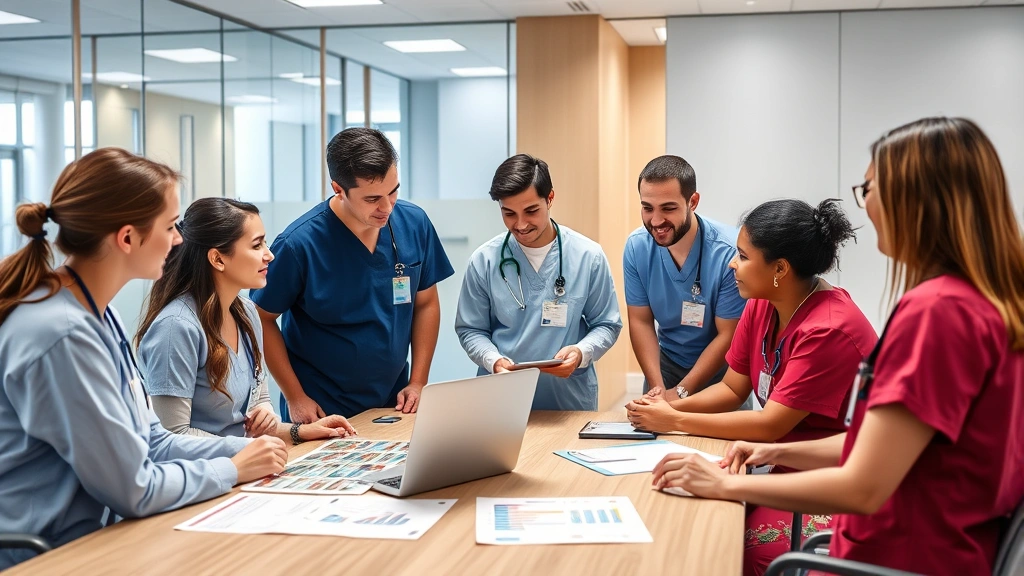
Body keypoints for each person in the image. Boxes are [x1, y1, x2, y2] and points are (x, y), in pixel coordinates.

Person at [652, 117, 1024, 576]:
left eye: (868, 189)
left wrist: (725, 486)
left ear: (915, 199)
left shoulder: (938, 312)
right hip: (932, 545)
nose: (864, 204)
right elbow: (880, 447)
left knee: (709, 549)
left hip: (901, 555)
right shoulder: (979, 303)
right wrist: (777, 452)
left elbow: (864, 488)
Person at [0, 149, 286, 569]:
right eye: (170, 227)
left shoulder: (97, 313)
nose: (178, 241)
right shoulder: (62, 333)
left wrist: (254, 450)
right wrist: (231, 469)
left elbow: (154, 440)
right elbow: (134, 489)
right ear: (128, 237)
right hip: (51, 555)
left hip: (99, 536)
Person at [627, 198, 877, 576]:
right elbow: (731, 389)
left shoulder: (829, 329)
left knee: (729, 546)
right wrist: (667, 406)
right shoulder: (763, 303)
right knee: (700, 523)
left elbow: (771, 425)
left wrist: (671, 421)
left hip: (832, 479)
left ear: (779, 269)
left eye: (742, 257)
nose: (732, 264)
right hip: (786, 467)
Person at [251, 128, 455, 422]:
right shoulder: (299, 245)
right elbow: (261, 318)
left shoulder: (414, 223)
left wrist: (418, 382)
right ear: (338, 188)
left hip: (394, 402)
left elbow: (426, 303)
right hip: (322, 407)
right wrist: (295, 397)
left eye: (394, 191)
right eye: (372, 199)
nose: (387, 207)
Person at [136, 197, 357, 444]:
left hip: (244, 466)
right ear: (218, 259)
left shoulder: (247, 313)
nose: (269, 255)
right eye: (256, 246)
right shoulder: (175, 328)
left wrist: (297, 431)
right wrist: (253, 446)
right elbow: (171, 436)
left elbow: (255, 409)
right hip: (203, 476)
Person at [455, 154, 622, 410]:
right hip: (501, 403)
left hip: (567, 403)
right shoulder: (484, 261)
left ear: (550, 198)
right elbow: (470, 330)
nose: (520, 224)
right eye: (509, 213)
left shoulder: (588, 256)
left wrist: (580, 353)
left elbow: (607, 324)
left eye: (531, 211)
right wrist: (494, 361)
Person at [624, 155, 746, 401]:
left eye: (668, 208)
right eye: (647, 208)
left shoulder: (728, 252)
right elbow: (640, 322)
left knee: (716, 440)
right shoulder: (637, 248)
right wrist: (658, 389)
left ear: (693, 202)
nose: (656, 221)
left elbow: (728, 335)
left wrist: (681, 392)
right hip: (665, 365)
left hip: (721, 375)